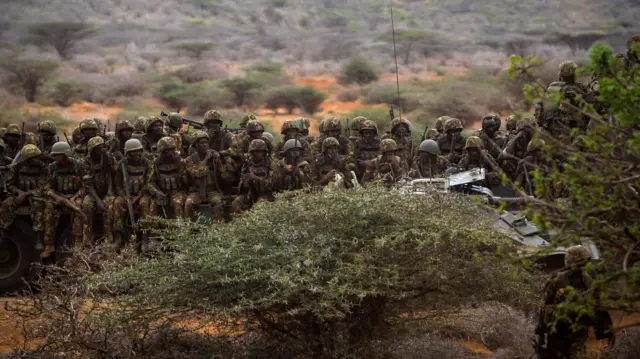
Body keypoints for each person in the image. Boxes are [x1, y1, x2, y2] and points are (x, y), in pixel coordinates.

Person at [536, 245, 614, 359]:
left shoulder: (587, 280)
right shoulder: (558, 279)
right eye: (584, 262)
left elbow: (598, 306)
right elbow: (545, 304)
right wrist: (541, 332)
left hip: (578, 330)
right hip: (558, 329)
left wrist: (605, 330)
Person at [0, 144, 47, 250]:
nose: (38, 159)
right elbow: (9, 184)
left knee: (39, 208)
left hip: (35, 196)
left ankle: (39, 240)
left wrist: (26, 194)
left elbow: (43, 186)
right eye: (35, 157)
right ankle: (3, 232)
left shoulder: (43, 168)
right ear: (28, 159)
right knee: (5, 205)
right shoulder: (16, 167)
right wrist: (19, 192)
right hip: (19, 194)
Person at [43, 142, 85, 258]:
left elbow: (84, 185)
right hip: (58, 196)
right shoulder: (52, 167)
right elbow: (46, 187)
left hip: (74, 196)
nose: (55, 157)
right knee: (49, 207)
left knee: (79, 207)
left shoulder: (78, 165)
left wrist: (74, 197)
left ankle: (77, 242)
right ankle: (49, 244)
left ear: (65, 154)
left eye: (58, 155)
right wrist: (57, 198)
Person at [112, 139, 153, 253]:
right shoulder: (122, 164)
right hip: (126, 195)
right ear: (127, 153)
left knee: (145, 204)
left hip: (142, 194)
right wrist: (125, 196)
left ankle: (145, 237)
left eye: (138, 151)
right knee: (117, 203)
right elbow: (118, 185)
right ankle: (118, 237)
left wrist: (138, 197)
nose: (137, 154)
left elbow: (148, 183)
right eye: (133, 152)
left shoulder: (146, 163)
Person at [539, 61, 593, 137]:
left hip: (550, 128)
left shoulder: (551, 87)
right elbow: (591, 106)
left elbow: (541, 110)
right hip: (571, 129)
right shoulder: (578, 88)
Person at [184, 131, 228, 223]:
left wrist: (218, 161)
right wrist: (206, 159)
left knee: (218, 202)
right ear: (196, 145)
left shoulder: (213, 157)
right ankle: (188, 229)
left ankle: (219, 228)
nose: (205, 145)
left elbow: (224, 175)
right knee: (188, 203)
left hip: (211, 191)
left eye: (206, 142)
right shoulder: (190, 160)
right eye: (202, 143)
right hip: (197, 191)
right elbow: (195, 173)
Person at [80, 136, 115, 246]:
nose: (101, 150)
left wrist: (109, 192)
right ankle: (87, 240)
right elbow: (88, 184)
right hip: (92, 192)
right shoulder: (86, 162)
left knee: (109, 206)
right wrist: (98, 200)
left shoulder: (108, 157)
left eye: (102, 148)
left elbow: (112, 175)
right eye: (98, 149)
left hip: (107, 191)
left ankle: (109, 239)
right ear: (91, 150)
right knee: (86, 205)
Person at [231, 139, 278, 214]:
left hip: (266, 195)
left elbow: (273, 184)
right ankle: (239, 223)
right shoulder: (248, 164)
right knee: (236, 203)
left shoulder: (271, 163)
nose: (257, 154)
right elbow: (241, 185)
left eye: (260, 151)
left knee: (259, 206)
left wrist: (256, 178)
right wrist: (244, 182)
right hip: (250, 193)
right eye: (255, 151)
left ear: (264, 152)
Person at [147, 137, 187, 219]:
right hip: (161, 192)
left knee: (177, 203)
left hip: (177, 191)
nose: (171, 152)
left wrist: (179, 166)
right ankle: (151, 230)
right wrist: (157, 192)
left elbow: (186, 181)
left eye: (173, 149)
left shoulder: (179, 160)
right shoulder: (155, 163)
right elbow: (149, 182)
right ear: (162, 151)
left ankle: (180, 228)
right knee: (153, 207)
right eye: (168, 150)